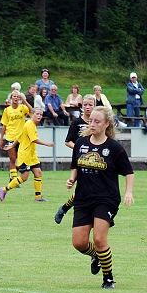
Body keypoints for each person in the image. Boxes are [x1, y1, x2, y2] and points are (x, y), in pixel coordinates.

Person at [67, 106, 134, 289]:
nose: (93, 124)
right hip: (83, 198)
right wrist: (72, 178)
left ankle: (108, 278)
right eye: (91, 121)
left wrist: (128, 192)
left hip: (107, 199)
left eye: (97, 121)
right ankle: (96, 255)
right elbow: (76, 165)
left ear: (106, 124)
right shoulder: (80, 143)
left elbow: (129, 172)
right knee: (79, 242)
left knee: (99, 239)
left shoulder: (114, 148)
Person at [0, 107, 54, 202]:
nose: (39, 116)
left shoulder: (30, 124)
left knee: (38, 173)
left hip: (32, 155)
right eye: (37, 114)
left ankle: (38, 197)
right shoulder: (29, 124)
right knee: (24, 177)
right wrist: (47, 144)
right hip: (25, 155)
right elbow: (34, 139)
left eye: (41, 114)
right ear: (32, 114)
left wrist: (12, 145)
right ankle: (3, 190)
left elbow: (19, 136)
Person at [55, 94, 95, 224]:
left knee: (92, 189)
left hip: (97, 160)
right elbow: (68, 141)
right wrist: (80, 149)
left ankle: (66, 208)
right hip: (81, 161)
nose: (88, 107)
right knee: (83, 189)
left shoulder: (99, 122)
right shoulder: (77, 122)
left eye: (91, 105)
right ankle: (66, 208)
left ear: (95, 106)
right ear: (81, 106)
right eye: (85, 105)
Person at [0, 91, 31, 183]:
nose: (16, 98)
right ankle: (13, 180)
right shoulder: (7, 110)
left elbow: (32, 111)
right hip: (11, 136)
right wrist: (1, 139)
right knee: (13, 158)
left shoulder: (23, 108)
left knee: (21, 159)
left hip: (21, 137)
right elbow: (4, 125)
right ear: (11, 98)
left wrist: (24, 100)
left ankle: (12, 174)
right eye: (14, 96)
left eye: (18, 96)